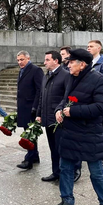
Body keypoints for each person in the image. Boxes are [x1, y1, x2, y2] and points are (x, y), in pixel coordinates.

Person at [54, 49, 103, 205]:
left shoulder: (99, 80)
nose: (69, 65)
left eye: (72, 62)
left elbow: (102, 107)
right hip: (69, 133)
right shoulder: (70, 78)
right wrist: (59, 110)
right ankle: (67, 200)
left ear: (82, 65)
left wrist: (73, 111)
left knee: (96, 171)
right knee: (65, 169)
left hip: (89, 134)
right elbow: (64, 99)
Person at [36, 50, 69, 182]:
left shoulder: (65, 75)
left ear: (56, 60)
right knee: (53, 148)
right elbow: (41, 97)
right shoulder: (46, 76)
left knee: (62, 149)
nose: (44, 63)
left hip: (60, 121)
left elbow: (67, 97)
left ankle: (66, 174)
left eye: (47, 60)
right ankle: (56, 172)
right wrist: (39, 114)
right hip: (48, 119)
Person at [16, 50, 43, 170]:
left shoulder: (35, 70)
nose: (20, 62)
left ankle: (29, 159)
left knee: (30, 134)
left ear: (28, 58)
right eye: (18, 60)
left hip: (31, 107)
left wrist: (35, 107)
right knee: (29, 133)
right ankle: (34, 155)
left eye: (22, 59)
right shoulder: (22, 70)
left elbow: (40, 90)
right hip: (23, 107)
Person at [87, 39, 103, 166]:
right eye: (88, 46)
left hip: (98, 101)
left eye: (91, 46)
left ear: (99, 48)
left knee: (101, 130)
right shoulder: (87, 63)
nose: (88, 48)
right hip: (88, 102)